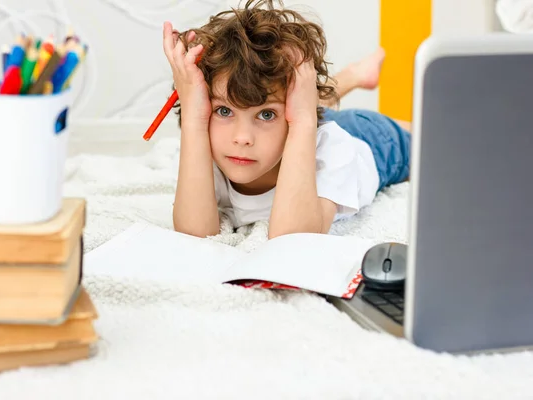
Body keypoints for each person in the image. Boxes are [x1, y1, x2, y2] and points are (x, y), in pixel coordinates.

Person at [163, 0, 411, 239]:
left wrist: (304, 122)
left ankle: (352, 77)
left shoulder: (334, 151)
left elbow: (293, 238)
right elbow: (194, 234)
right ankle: (354, 75)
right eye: (225, 111)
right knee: (272, 100)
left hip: (372, 138)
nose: (241, 138)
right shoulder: (211, 145)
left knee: (430, 138)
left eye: (265, 114)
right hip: (294, 122)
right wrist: (192, 117)